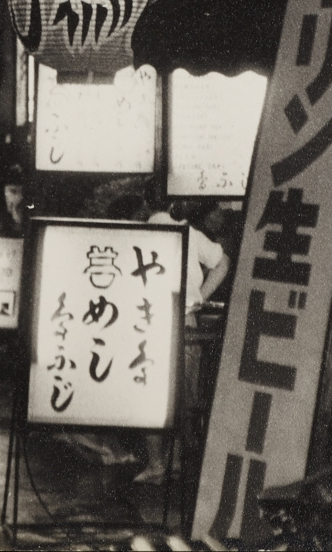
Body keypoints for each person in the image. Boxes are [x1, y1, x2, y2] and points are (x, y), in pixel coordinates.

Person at [136, 198, 231, 485]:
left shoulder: (138, 232)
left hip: (148, 321)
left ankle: (156, 464)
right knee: (186, 395)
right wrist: (200, 295)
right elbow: (223, 262)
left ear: (147, 203)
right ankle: (178, 461)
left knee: (149, 396)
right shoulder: (189, 232)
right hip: (186, 319)